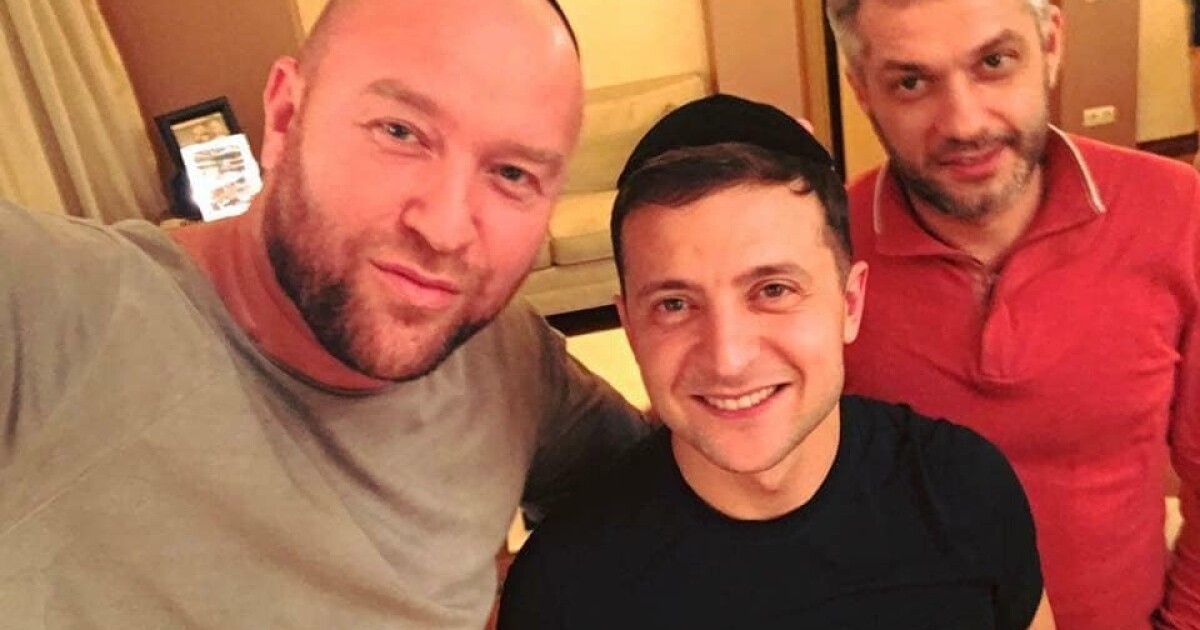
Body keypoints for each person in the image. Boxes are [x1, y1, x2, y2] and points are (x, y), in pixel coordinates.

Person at [0, 0, 649, 628]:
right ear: (285, 116)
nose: (446, 229)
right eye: (399, 132)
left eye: (511, 174)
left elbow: (651, 492)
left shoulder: (512, 364)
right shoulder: (55, 305)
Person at [497, 94, 1054, 629]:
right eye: (674, 304)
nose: (729, 357)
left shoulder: (961, 491)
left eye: (773, 291)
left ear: (849, 304)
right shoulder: (564, 589)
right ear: (631, 329)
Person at [825, 0, 1200, 627]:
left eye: (994, 62)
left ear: (1050, 45)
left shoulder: (1176, 211)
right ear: (862, 88)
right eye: (911, 82)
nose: (964, 122)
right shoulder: (822, 251)